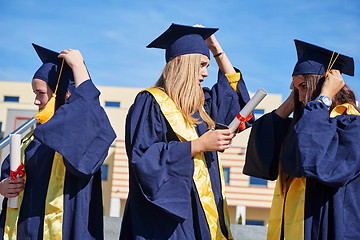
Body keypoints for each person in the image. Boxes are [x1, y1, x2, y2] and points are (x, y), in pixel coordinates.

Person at [119, 23, 254, 240]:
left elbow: (234, 100)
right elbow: (143, 158)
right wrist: (198, 145)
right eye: (201, 65)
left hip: (205, 210)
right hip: (169, 218)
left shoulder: (202, 106)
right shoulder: (150, 102)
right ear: (182, 63)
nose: (206, 73)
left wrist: (216, 48)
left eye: (208, 65)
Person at [243, 39, 360, 240]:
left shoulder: (351, 126)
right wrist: (292, 101)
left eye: (305, 86)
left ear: (325, 85)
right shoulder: (303, 126)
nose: (301, 96)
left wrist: (322, 99)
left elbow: (314, 161)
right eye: (297, 89)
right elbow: (263, 161)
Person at [0, 44, 116, 239]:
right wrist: (4, 184)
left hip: (63, 229)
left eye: (41, 93)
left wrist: (79, 69)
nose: (36, 101)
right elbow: (9, 170)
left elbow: (87, 113)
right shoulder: (31, 136)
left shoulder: (81, 130)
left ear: (62, 94)